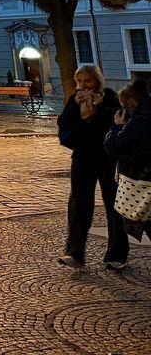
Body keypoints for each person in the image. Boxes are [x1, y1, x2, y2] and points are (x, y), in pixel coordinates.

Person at [56, 65, 127, 269]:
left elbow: (119, 124)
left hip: (108, 158)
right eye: (79, 81)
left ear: (97, 80)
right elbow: (64, 125)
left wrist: (103, 107)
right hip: (83, 157)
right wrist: (73, 108)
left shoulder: (110, 98)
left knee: (114, 204)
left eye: (87, 81)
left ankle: (117, 254)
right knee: (78, 204)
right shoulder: (73, 100)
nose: (83, 86)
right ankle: (75, 253)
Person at [105, 79, 151, 251]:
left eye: (123, 106)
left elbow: (114, 147)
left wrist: (117, 127)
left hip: (140, 182)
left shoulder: (141, 118)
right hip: (143, 179)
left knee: (143, 219)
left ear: (130, 103)